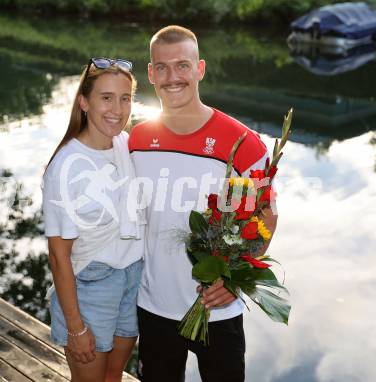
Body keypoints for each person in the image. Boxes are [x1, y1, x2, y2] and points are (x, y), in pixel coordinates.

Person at [128, 26, 278, 382]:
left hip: (218, 307)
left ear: (200, 69)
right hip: (154, 305)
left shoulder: (244, 143)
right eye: (161, 67)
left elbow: (265, 216)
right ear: (150, 74)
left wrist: (235, 280)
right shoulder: (137, 139)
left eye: (182, 65)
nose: (172, 77)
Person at [42, 58, 144, 382]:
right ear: (84, 102)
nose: (117, 108)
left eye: (125, 98)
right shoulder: (67, 165)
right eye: (106, 97)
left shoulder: (126, 145)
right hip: (90, 285)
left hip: (132, 275)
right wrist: (75, 325)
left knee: (114, 377)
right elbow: (59, 257)